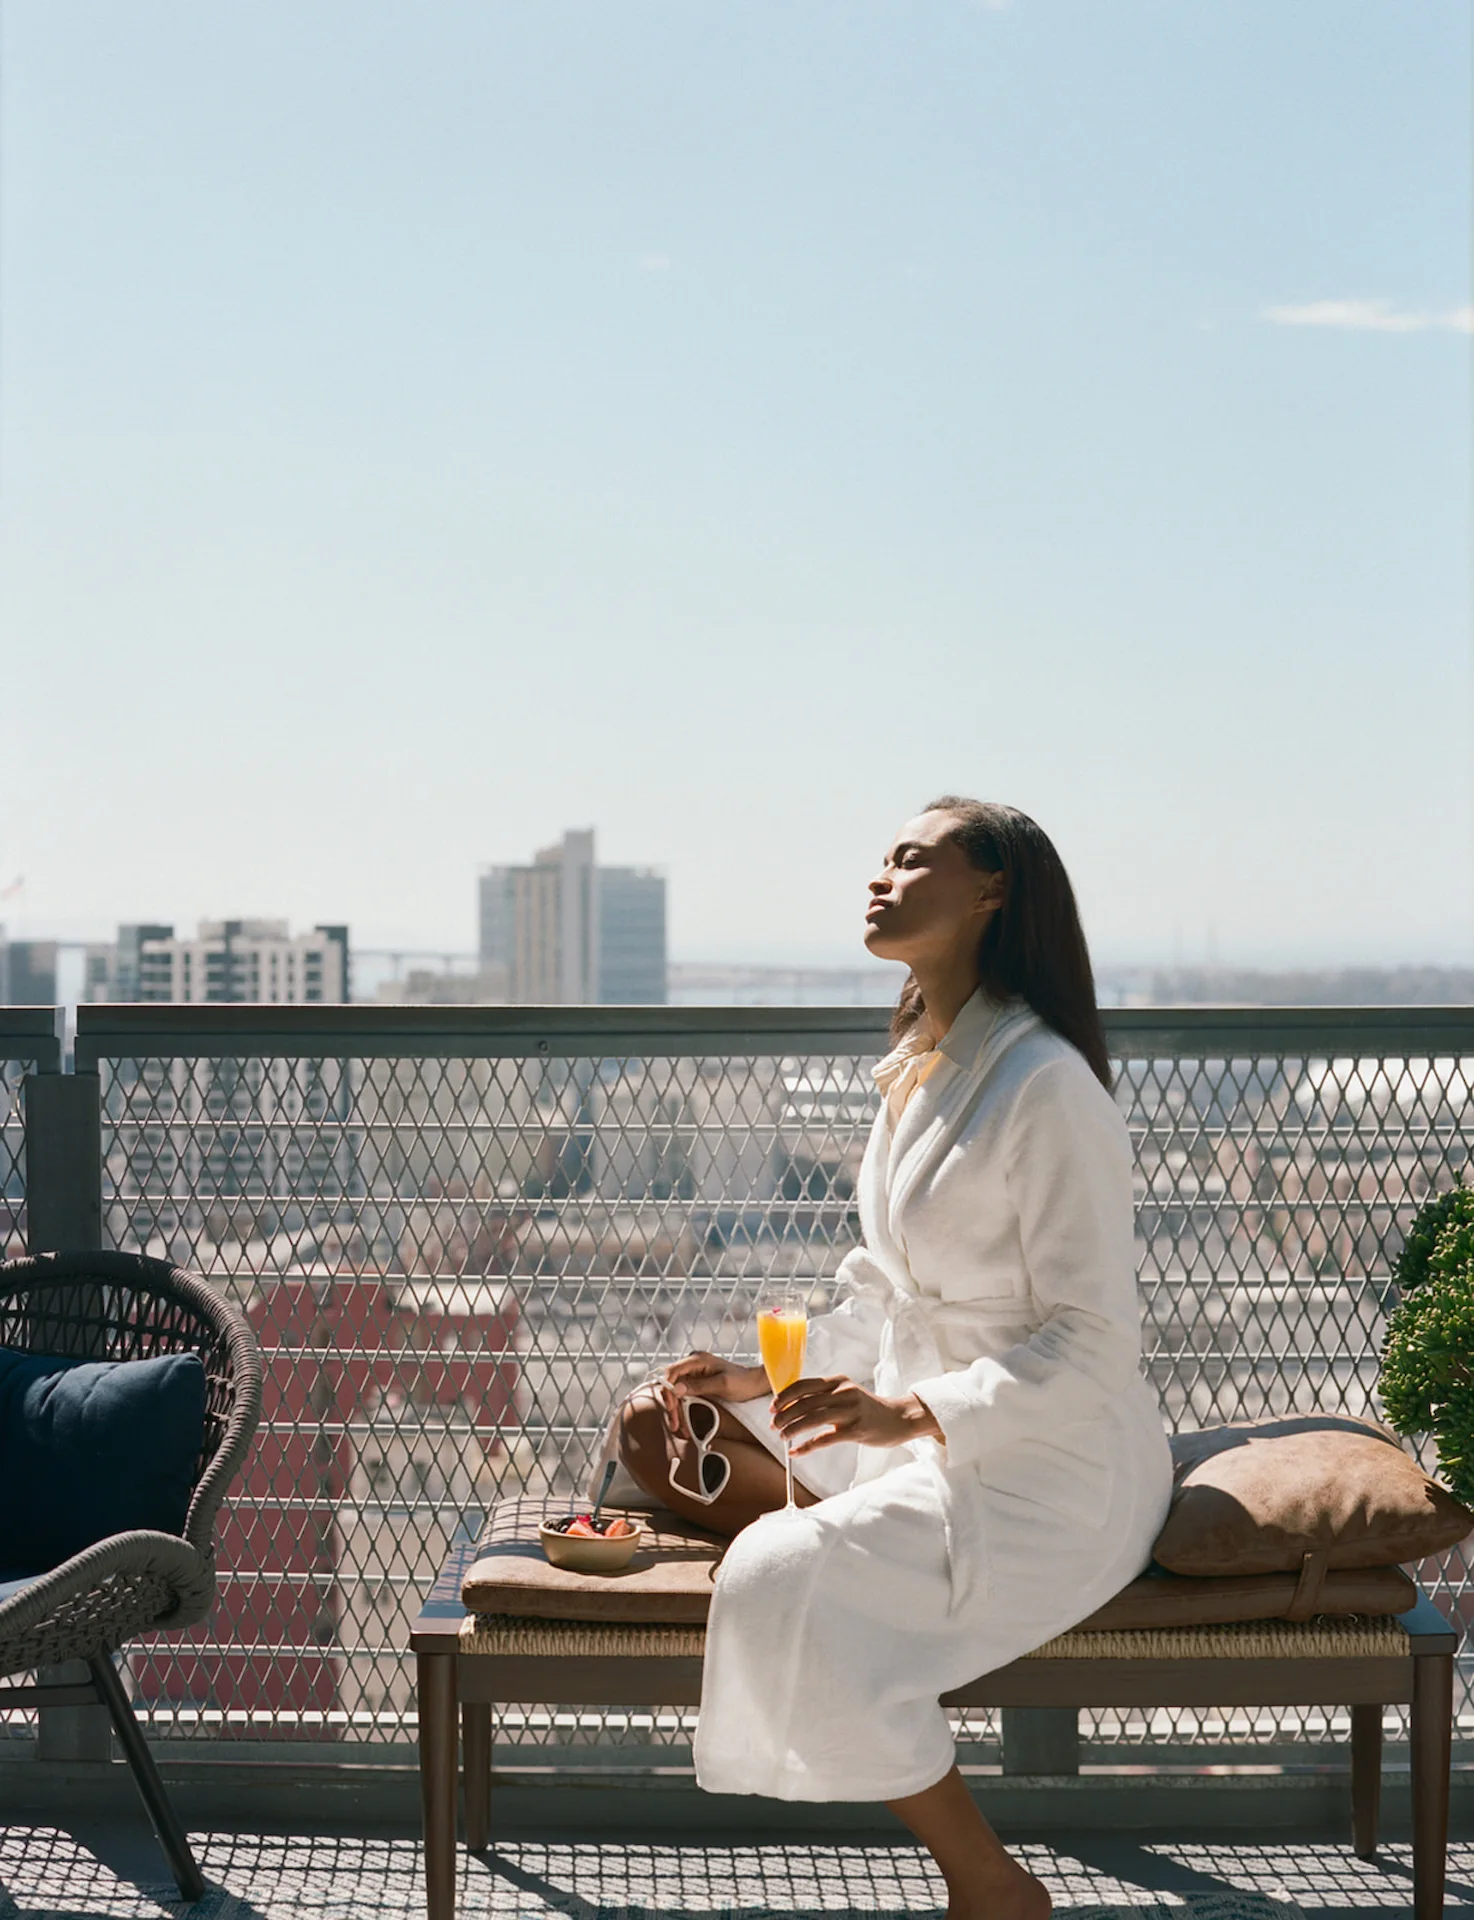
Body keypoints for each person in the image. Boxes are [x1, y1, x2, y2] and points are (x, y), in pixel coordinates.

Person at [617, 797, 1172, 1920]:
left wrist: (909, 1414)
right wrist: (754, 1378)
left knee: (776, 1572)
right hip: (924, 1427)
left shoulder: (1045, 1086)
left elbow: (1099, 1340)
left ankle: (988, 1882)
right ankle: (828, 1546)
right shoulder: (927, 1066)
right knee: (649, 1428)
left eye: (913, 861)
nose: (879, 878)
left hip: (1045, 1471)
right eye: (879, 859)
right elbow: (887, 1294)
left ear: (990, 892)